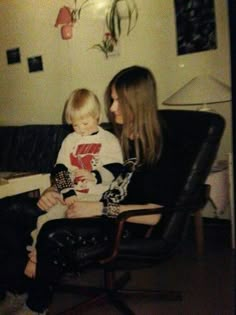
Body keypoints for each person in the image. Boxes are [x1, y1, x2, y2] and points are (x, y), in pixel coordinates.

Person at [0, 65, 169, 315]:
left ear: (136, 102)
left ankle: (36, 306)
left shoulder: (158, 148)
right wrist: (53, 190)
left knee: (50, 231)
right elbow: (69, 168)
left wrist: (99, 207)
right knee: (9, 209)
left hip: (118, 222)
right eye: (111, 100)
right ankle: (17, 288)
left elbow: (155, 214)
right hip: (84, 203)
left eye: (116, 100)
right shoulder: (120, 137)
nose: (111, 108)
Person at [24, 88, 123, 279]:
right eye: (75, 125)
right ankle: (36, 255)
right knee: (46, 218)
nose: (81, 129)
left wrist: (94, 175)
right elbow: (60, 169)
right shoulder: (69, 141)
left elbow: (116, 168)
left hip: (96, 196)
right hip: (71, 193)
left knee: (68, 225)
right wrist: (68, 193)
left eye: (85, 123)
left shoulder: (109, 140)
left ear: (97, 116)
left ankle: (55, 262)